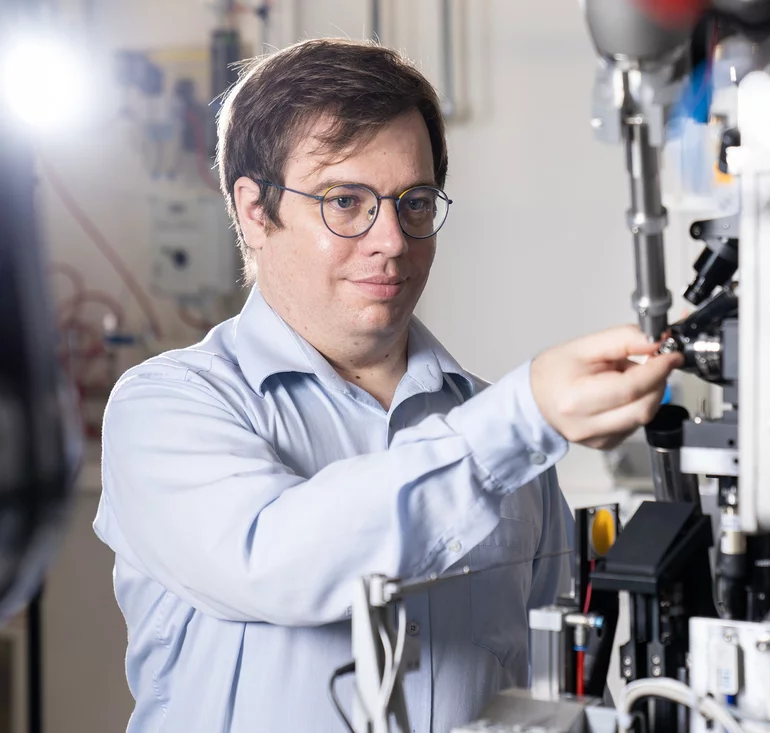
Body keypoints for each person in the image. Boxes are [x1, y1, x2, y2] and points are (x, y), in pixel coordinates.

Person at [92, 37, 681, 733]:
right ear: (255, 210)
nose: (393, 240)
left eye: (415, 202)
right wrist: (526, 416)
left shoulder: (506, 436)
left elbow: (546, 687)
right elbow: (274, 561)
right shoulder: (168, 407)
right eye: (346, 201)